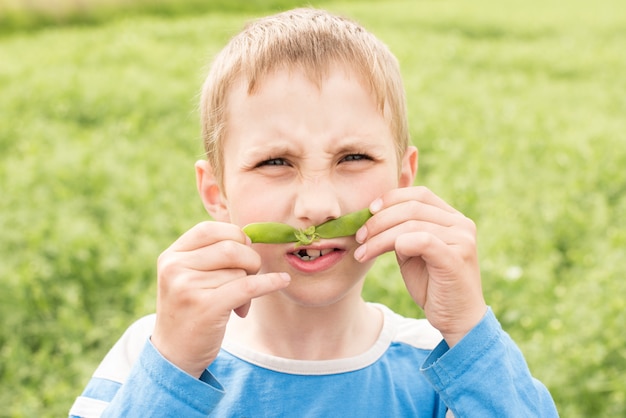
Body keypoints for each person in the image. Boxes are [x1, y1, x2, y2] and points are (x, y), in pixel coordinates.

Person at [69, 7, 558, 417]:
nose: (319, 207)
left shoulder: (442, 368)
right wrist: (171, 373)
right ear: (216, 193)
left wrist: (469, 328)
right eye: (275, 162)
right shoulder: (155, 353)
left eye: (353, 158)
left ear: (403, 180)